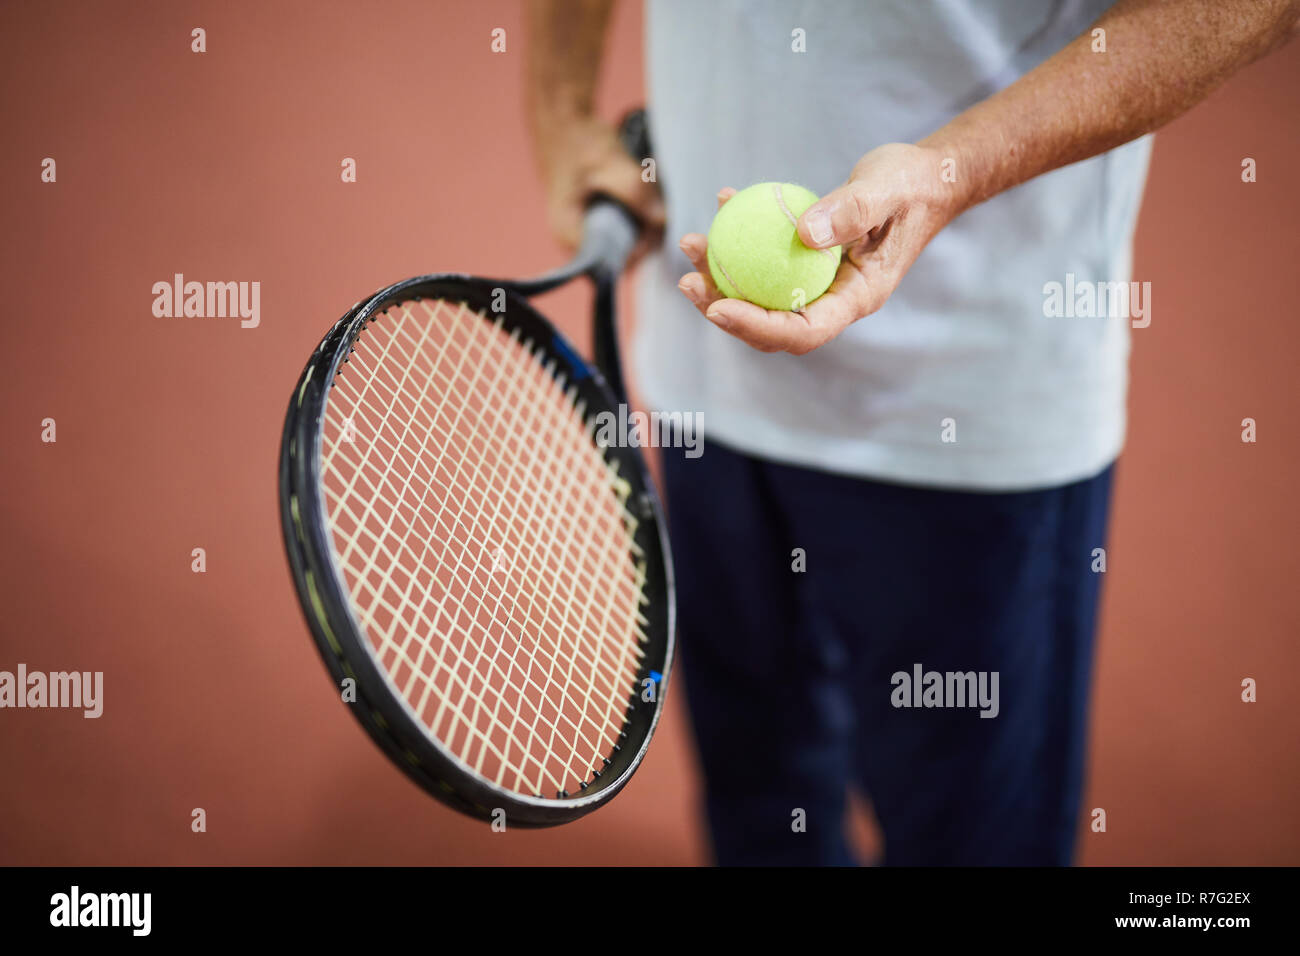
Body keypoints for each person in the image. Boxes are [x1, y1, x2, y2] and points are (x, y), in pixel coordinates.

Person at [524, 0, 1300, 865]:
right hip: (703, 377)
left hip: (969, 409)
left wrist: (948, 170)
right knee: (759, 804)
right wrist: (559, 111)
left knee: (973, 845)